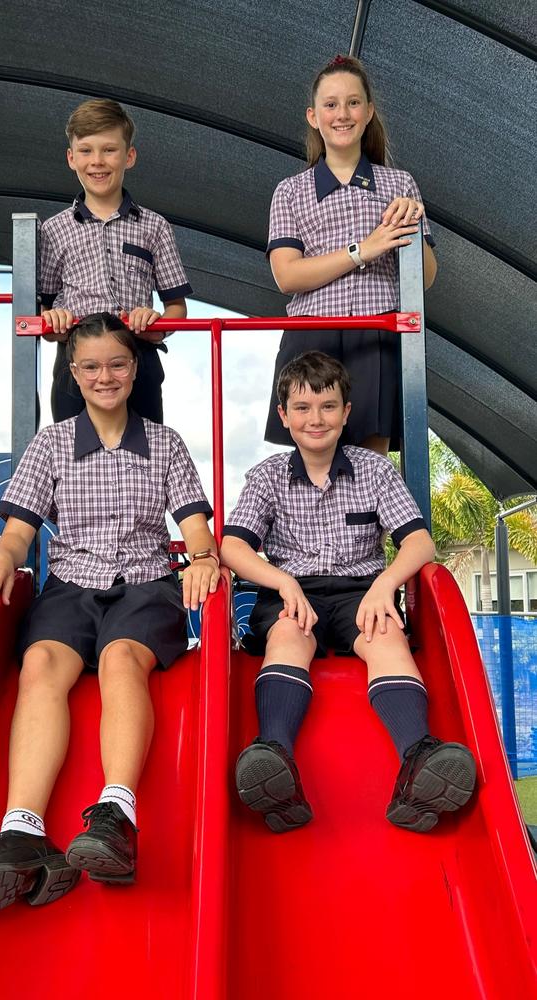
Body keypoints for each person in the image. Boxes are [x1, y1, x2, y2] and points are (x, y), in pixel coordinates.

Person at [0, 313, 219, 913]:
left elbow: (197, 529)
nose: (105, 376)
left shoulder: (164, 444)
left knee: (121, 659)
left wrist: (201, 557)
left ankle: (116, 815)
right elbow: (20, 532)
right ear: (73, 373)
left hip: (146, 587)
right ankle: (23, 831)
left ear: (135, 368)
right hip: (71, 586)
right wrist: (0, 561)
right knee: (40, 662)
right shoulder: (52, 444)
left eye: (117, 364)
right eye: (90, 366)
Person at [221, 351, 475, 834]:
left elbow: (419, 542)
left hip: (362, 589)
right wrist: (282, 581)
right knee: (287, 634)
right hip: (293, 590)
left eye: (328, 406)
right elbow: (233, 546)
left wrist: (384, 584)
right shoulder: (267, 476)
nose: (315, 419)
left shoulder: (374, 471)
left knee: (387, 638)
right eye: (302, 408)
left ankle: (419, 755)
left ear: (346, 412)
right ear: (284, 416)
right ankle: (273, 754)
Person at [265, 54, 438, 456]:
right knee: (311, 461)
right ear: (313, 116)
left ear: (369, 111)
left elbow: (426, 277)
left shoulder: (399, 183)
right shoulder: (290, 190)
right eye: (330, 104)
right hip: (311, 334)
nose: (342, 114)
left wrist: (412, 229)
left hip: (376, 331)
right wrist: (365, 249)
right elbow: (286, 276)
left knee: (368, 463)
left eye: (353, 102)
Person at [41, 98, 192, 424]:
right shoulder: (53, 230)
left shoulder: (155, 226)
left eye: (109, 150)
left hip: (139, 359)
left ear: (129, 156)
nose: (97, 161)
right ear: (71, 158)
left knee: (146, 457)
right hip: (76, 364)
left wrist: (157, 328)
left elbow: (177, 308)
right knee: (73, 458)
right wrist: (53, 322)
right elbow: (44, 309)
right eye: (86, 151)